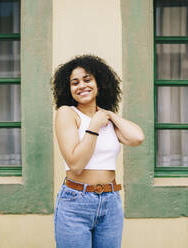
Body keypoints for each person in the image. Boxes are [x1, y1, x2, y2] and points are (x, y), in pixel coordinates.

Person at [52, 55, 144, 248]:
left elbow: (137, 138)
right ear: (68, 89)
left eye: (87, 79)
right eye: (74, 83)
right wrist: (93, 126)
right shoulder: (67, 113)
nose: (81, 86)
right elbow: (76, 165)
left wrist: (109, 114)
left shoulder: (106, 119)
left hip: (111, 202)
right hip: (76, 202)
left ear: (99, 83)